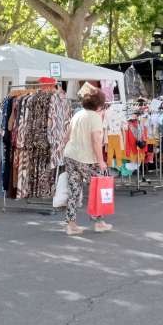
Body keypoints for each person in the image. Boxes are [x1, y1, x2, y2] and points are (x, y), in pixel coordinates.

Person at [60, 89, 112, 236]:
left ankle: (71, 225)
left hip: (70, 155)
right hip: (86, 159)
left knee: (74, 191)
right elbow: (96, 141)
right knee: (97, 189)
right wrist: (101, 161)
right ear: (99, 105)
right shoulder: (95, 118)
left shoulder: (77, 114)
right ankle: (99, 222)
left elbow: (66, 137)